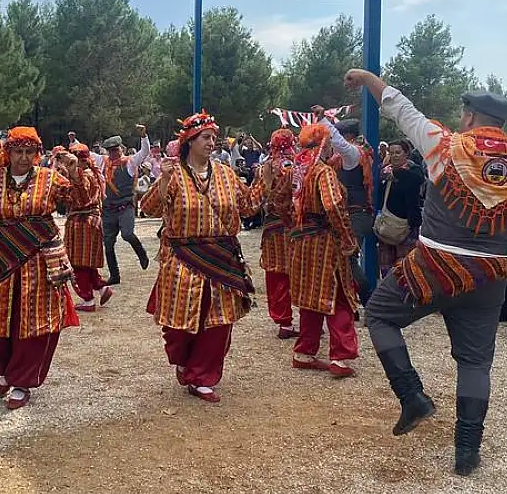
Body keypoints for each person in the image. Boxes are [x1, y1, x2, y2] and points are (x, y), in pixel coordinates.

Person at [345, 68, 507, 477]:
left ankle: (412, 394)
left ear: (469, 117)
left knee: (380, 315)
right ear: (502, 124)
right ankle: (467, 451)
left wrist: (368, 78)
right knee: (474, 363)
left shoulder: (444, 145)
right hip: (489, 276)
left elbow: (401, 108)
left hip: (433, 267)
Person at [0, 127, 89, 409]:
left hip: (40, 260)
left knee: (34, 323)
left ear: (37, 154)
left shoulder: (50, 178)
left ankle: (22, 381)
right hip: (1, 258)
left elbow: (80, 201)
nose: (24, 158)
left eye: (30, 152)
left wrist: (76, 173)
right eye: (18, 151)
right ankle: (4, 371)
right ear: (8, 153)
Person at [141, 111, 262, 403]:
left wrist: (264, 181)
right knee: (177, 324)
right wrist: (162, 181)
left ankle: (203, 375)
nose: (212, 143)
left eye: (213, 138)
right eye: (206, 138)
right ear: (190, 141)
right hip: (182, 257)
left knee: (219, 320)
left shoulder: (226, 173)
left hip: (222, 255)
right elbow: (148, 208)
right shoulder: (174, 173)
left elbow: (248, 207)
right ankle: (184, 360)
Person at [279, 123, 360, 378]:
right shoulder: (322, 172)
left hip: (301, 243)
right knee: (338, 296)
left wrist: (292, 225)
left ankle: (304, 352)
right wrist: (347, 238)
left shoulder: (296, 171)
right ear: (325, 145)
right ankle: (341, 356)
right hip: (325, 242)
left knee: (311, 299)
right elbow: (334, 205)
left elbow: (279, 201)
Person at [320, 114, 375, 301]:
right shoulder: (344, 157)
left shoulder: (353, 154)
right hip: (352, 215)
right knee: (344, 260)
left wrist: (323, 120)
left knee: (348, 261)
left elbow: (340, 144)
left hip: (356, 215)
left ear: (348, 136)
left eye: (338, 136)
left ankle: (371, 303)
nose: (334, 141)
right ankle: (351, 303)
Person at [92, 127, 151, 284]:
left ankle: (142, 254)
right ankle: (115, 275)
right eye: (110, 150)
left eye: (116, 149)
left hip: (125, 207)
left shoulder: (129, 162)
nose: (113, 153)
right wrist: (73, 144)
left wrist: (144, 136)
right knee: (108, 244)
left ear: (121, 148)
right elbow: (87, 154)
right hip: (108, 210)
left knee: (127, 234)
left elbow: (144, 152)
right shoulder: (102, 162)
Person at [58, 142, 112, 312]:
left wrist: (72, 173)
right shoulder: (92, 173)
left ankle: (87, 298)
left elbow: (82, 198)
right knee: (86, 261)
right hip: (90, 221)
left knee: (77, 263)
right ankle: (101, 286)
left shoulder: (83, 176)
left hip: (82, 223)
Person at [257, 128, 298, 339]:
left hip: (271, 227)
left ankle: (283, 321)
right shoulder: (296, 164)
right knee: (296, 272)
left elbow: (257, 197)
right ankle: (305, 321)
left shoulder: (265, 165)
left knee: (275, 273)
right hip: (293, 227)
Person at [378, 140, 425, 273]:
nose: (394, 156)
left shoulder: (413, 170)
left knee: (406, 268)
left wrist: (397, 172)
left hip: (407, 226)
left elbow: (417, 180)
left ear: (406, 154)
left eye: (398, 152)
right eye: (391, 153)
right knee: (386, 267)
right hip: (387, 226)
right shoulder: (384, 172)